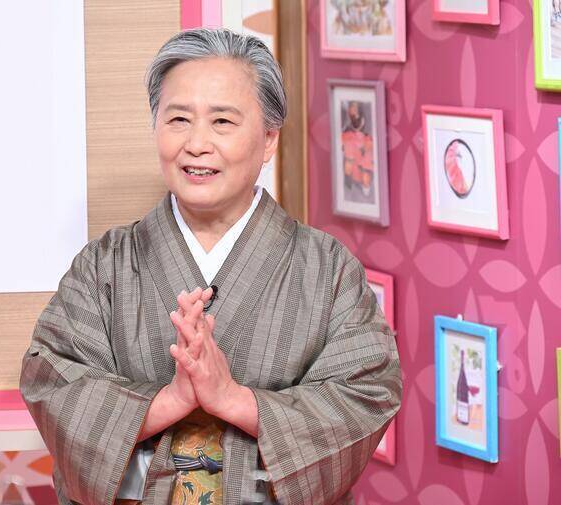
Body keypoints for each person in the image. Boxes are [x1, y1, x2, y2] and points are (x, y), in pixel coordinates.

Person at [20, 28, 401, 505]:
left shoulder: (327, 270)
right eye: (178, 119)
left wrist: (235, 400)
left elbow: (368, 391)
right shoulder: (104, 266)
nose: (197, 143)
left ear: (268, 139)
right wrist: (169, 401)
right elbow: (52, 378)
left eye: (222, 121)